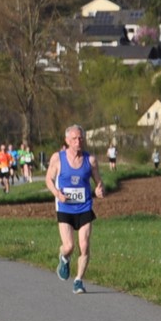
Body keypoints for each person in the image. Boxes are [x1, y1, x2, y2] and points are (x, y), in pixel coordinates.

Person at [44, 124, 105, 294]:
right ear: (67, 140)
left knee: (84, 246)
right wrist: (57, 193)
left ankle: (78, 280)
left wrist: (99, 190)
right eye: (74, 139)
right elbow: (48, 180)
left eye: (80, 138)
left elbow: (99, 182)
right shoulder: (58, 158)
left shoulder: (90, 160)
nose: (78, 141)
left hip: (84, 206)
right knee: (69, 246)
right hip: (65, 207)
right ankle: (64, 257)